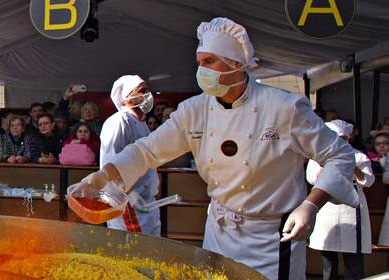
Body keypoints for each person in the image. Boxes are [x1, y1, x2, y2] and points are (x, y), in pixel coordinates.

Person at [73, 18, 357, 279]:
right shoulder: (194, 110)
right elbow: (147, 150)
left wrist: (310, 205)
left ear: (235, 63)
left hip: (272, 238)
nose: (201, 70)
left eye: (209, 61)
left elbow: (340, 156)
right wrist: (101, 177)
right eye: (199, 62)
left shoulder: (284, 107)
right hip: (219, 233)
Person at [306, 120, 375, 280]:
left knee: (353, 259)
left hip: (351, 208)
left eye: (343, 138)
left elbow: (369, 181)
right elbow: (311, 178)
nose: (340, 142)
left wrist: (353, 167)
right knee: (328, 261)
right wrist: (326, 169)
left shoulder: (358, 155)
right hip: (326, 206)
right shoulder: (317, 156)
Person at [98, 75, 160, 236]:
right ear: (127, 97)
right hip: (127, 202)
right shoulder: (118, 122)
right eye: (142, 91)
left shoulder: (142, 122)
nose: (148, 95)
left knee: (151, 251)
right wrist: (129, 193)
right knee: (134, 251)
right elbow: (110, 162)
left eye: (147, 90)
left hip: (146, 201)